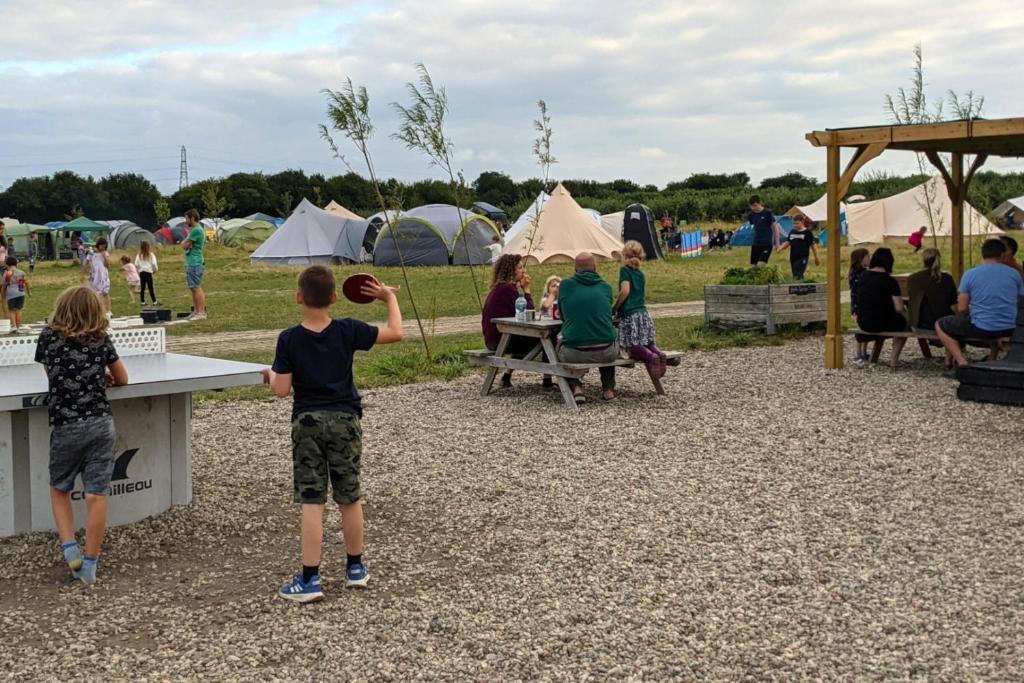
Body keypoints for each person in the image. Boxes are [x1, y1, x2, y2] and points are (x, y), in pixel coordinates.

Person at [263, 266, 403, 602]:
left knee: (313, 501)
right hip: (345, 420)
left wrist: (269, 375)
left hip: (307, 423)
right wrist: (389, 298)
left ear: (299, 298)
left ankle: (310, 579)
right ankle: (355, 568)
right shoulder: (348, 330)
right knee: (349, 496)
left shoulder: (289, 339)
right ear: (334, 298)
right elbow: (396, 332)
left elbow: (281, 390)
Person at [35, 286, 129, 585]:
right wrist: (102, 377)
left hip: (66, 426)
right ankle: (90, 565)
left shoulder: (48, 337)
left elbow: (53, 375)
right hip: (101, 424)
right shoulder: (101, 339)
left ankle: (69, 548)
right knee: (95, 494)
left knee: (60, 489)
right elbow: (123, 378)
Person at [936, 238, 1024, 370]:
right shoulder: (1015, 274)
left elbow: (962, 308)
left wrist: (970, 313)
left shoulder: (970, 274)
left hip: (982, 328)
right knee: (988, 320)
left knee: (940, 324)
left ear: (983, 254)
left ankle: (962, 361)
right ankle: (992, 357)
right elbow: (1021, 300)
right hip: (1010, 327)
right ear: (1002, 254)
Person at [558, 251, 618, 403]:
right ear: (595, 267)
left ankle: (576, 386)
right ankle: (608, 389)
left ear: (575, 268)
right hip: (606, 352)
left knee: (557, 345)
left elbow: (563, 316)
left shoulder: (565, 285)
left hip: (574, 352)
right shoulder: (606, 287)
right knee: (606, 336)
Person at [481, 254, 549, 388]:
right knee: (547, 337)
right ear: (511, 270)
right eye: (520, 268)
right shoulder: (507, 289)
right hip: (500, 339)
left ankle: (506, 376)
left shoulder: (500, 288)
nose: (524, 271)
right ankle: (548, 379)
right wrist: (527, 290)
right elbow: (528, 312)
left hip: (496, 337)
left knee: (528, 336)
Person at [613, 241, 666, 378]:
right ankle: (659, 354)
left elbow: (625, 291)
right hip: (643, 313)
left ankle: (651, 357)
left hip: (630, 314)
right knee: (647, 342)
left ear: (625, 256)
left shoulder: (625, 270)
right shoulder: (640, 274)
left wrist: (615, 307)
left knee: (633, 345)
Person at [855, 248, 909, 368]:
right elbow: (899, 308)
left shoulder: (863, 277)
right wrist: (909, 319)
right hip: (882, 323)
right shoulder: (889, 281)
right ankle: (894, 360)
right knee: (903, 324)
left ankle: (878, 357)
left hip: (864, 322)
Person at [906, 248, 957, 361]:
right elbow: (954, 306)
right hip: (943, 326)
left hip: (918, 326)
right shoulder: (947, 279)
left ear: (923, 260)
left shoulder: (913, 279)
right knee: (956, 323)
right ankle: (950, 358)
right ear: (939, 260)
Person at [776, 215, 820, 280]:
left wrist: (816, 257)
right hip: (793, 257)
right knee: (795, 274)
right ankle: (800, 283)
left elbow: (813, 246)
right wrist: (781, 248)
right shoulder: (792, 231)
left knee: (798, 273)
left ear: (802, 222)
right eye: (794, 223)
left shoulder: (807, 232)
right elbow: (788, 242)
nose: (795, 225)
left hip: (803, 257)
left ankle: (800, 282)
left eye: (797, 223)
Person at [181, 209, 207, 320]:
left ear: (192, 218)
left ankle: (201, 312)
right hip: (191, 262)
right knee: (193, 288)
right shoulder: (195, 230)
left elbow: (184, 245)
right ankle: (196, 311)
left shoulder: (196, 230)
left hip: (195, 263)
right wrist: (185, 243)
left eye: (187, 218)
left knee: (196, 287)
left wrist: (185, 243)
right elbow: (185, 244)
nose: (186, 221)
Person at [848, 248, 871, 366]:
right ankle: (859, 354)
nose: (870, 259)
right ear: (861, 259)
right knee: (861, 330)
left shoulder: (860, 272)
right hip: (858, 306)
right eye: (868, 257)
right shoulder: (859, 274)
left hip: (858, 305)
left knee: (864, 329)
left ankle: (864, 352)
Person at [746, 195, 781, 266]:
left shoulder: (767, 213)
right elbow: (754, 227)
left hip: (766, 244)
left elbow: (775, 228)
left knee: (760, 265)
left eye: (755, 205)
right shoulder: (751, 215)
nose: (753, 208)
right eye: (751, 206)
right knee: (754, 267)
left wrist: (777, 244)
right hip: (756, 244)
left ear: (760, 203)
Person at [3, 256, 30, 330]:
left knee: (11, 310)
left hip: (11, 294)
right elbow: (26, 282)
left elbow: (4, 285)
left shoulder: (7, 273)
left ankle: (14, 326)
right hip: (21, 293)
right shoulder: (22, 272)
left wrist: (3, 294)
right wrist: (29, 292)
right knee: (19, 309)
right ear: (16, 264)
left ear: (7, 265)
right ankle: (18, 325)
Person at [86, 237, 111, 313]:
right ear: (98, 245)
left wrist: (104, 257)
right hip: (94, 275)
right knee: (92, 293)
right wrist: (84, 272)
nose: (103, 248)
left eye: (104, 247)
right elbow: (87, 262)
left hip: (103, 276)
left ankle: (108, 310)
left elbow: (107, 265)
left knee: (105, 293)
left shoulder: (105, 253)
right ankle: (95, 310)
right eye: (101, 246)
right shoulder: (92, 253)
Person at [134, 240, 159, 306]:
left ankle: (142, 301)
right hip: (148, 272)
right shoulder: (151, 255)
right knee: (150, 287)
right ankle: (154, 301)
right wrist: (155, 270)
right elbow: (154, 264)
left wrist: (138, 270)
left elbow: (136, 264)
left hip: (141, 273)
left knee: (142, 288)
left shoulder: (139, 255)